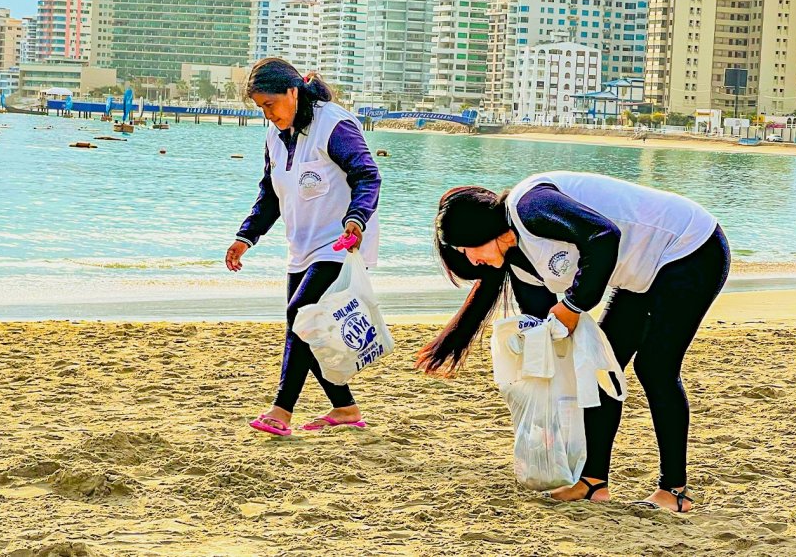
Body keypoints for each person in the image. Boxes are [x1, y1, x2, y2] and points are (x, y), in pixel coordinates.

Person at [416, 172, 729, 510]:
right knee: (598, 370)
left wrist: (574, 304)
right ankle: (593, 482)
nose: (469, 259)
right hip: (640, 273)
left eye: (464, 248)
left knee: (655, 368)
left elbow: (604, 236)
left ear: (477, 231)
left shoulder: (530, 206)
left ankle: (674, 491)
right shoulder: (520, 265)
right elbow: (543, 327)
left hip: (690, 248)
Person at [226, 58, 381, 437]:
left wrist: (357, 219)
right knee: (305, 327)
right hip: (302, 247)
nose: (267, 114)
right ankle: (345, 407)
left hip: (340, 243)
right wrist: (246, 236)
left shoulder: (333, 124)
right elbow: (270, 193)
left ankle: (281, 411)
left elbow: (367, 175)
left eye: (270, 104)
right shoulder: (275, 135)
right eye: (261, 108)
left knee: (301, 317)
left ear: (293, 92)